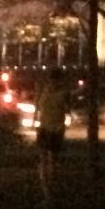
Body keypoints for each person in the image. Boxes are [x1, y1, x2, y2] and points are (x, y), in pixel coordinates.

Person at [35, 67, 70, 200]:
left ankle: (48, 190)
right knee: (48, 160)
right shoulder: (58, 93)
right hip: (50, 128)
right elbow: (67, 110)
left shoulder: (48, 93)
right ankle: (48, 190)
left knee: (48, 161)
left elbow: (40, 108)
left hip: (51, 128)